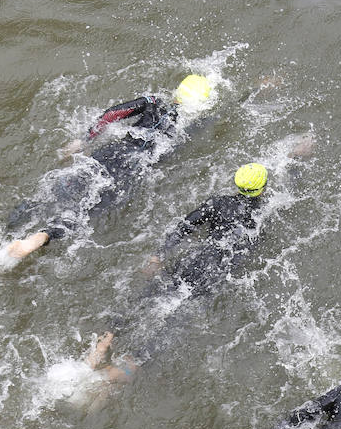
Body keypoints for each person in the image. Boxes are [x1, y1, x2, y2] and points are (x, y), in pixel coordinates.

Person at [85, 163, 274, 382]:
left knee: (147, 296)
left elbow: (184, 227)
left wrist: (158, 256)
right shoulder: (262, 215)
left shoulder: (218, 202)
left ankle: (105, 342)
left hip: (192, 261)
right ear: (263, 188)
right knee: (176, 322)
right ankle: (128, 368)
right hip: (215, 274)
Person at [1, 74, 215, 261]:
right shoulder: (190, 125)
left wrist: (84, 139)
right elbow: (172, 155)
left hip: (110, 153)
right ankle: (43, 236)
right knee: (82, 211)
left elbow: (112, 114)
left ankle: (2, 231)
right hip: (132, 169)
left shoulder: (153, 102)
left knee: (53, 194)